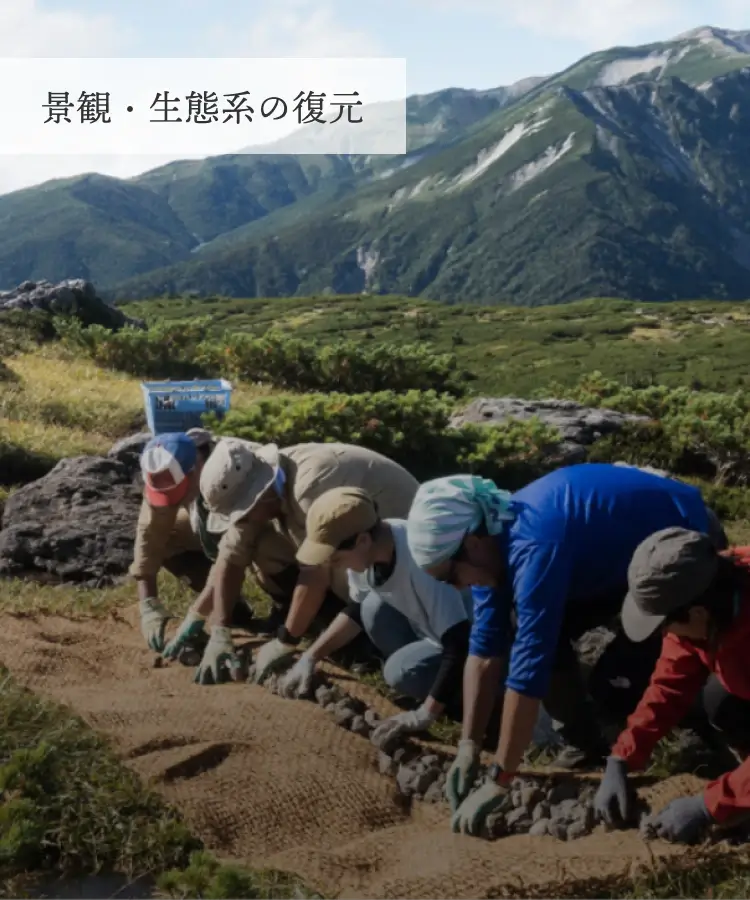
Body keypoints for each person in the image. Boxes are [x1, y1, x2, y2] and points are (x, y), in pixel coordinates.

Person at [404, 464, 727, 836]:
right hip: (608, 562)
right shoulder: (490, 545)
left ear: (471, 543)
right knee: (517, 623)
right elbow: (484, 650)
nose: (457, 587)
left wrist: (500, 779)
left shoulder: (536, 545)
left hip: (682, 549)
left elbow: (529, 667)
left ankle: (705, 733)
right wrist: (468, 745)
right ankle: (583, 742)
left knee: (619, 682)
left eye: (450, 577)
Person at [186, 438, 420, 686]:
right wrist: (219, 628)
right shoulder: (259, 485)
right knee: (265, 547)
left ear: (259, 496)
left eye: (242, 512)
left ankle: (362, 641)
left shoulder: (310, 487)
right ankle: (312, 620)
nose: (241, 519)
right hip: (356, 549)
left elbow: (315, 572)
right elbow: (230, 556)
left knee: (335, 562)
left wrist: (286, 641)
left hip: (396, 549)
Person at [276, 486, 474, 743]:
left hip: (475, 646)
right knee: (371, 607)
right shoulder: (372, 550)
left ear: (362, 541)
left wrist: (425, 715)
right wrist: (310, 657)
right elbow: (356, 610)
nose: (333, 564)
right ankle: (434, 687)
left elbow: (459, 642)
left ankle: (463, 701)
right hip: (434, 631)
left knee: (399, 672)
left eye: (335, 558)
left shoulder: (421, 561)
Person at [594, 528, 750, 844]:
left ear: (697, 614)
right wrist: (623, 755)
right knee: (720, 701)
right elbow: (669, 685)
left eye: (666, 624)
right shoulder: (702, 588)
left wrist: (712, 805)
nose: (665, 634)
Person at [130, 430, 277, 658]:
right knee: (171, 535)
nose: (174, 499)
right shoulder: (165, 472)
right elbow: (150, 533)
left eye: (179, 490)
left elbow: (232, 551)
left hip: (263, 525)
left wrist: (197, 615)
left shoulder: (235, 469)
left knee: (267, 547)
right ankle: (232, 606)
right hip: (208, 523)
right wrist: (148, 603)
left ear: (196, 468)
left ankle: (290, 612)